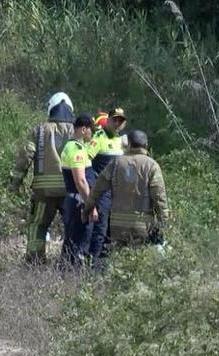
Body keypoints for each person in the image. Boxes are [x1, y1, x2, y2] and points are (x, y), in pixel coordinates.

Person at [10, 92, 75, 263]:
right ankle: (71, 261)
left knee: (38, 225)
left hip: (43, 192)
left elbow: (26, 157)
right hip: (71, 190)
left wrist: (15, 183)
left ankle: (35, 261)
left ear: (50, 109)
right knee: (73, 226)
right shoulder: (79, 130)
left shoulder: (39, 130)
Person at [84, 130, 169, 248]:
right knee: (138, 260)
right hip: (141, 225)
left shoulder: (116, 163)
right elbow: (159, 198)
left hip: (117, 225)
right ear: (146, 145)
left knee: (118, 259)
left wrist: (87, 209)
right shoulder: (151, 165)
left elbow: (98, 189)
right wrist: (163, 224)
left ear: (128, 143)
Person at [87, 107, 127, 269]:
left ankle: (105, 265)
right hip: (102, 193)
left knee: (113, 230)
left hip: (117, 194)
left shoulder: (121, 142)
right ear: (108, 120)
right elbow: (85, 163)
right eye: (115, 120)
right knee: (100, 229)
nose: (117, 123)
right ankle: (93, 267)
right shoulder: (98, 138)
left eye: (121, 121)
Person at [60, 114, 98, 267]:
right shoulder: (77, 150)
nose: (92, 134)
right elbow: (80, 181)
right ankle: (73, 278)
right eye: (91, 130)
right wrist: (91, 206)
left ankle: (64, 275)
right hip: (79, 203)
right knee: (79, 243)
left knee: (70, 242)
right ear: (84, 129)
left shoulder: (70, 146)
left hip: (73, 200)